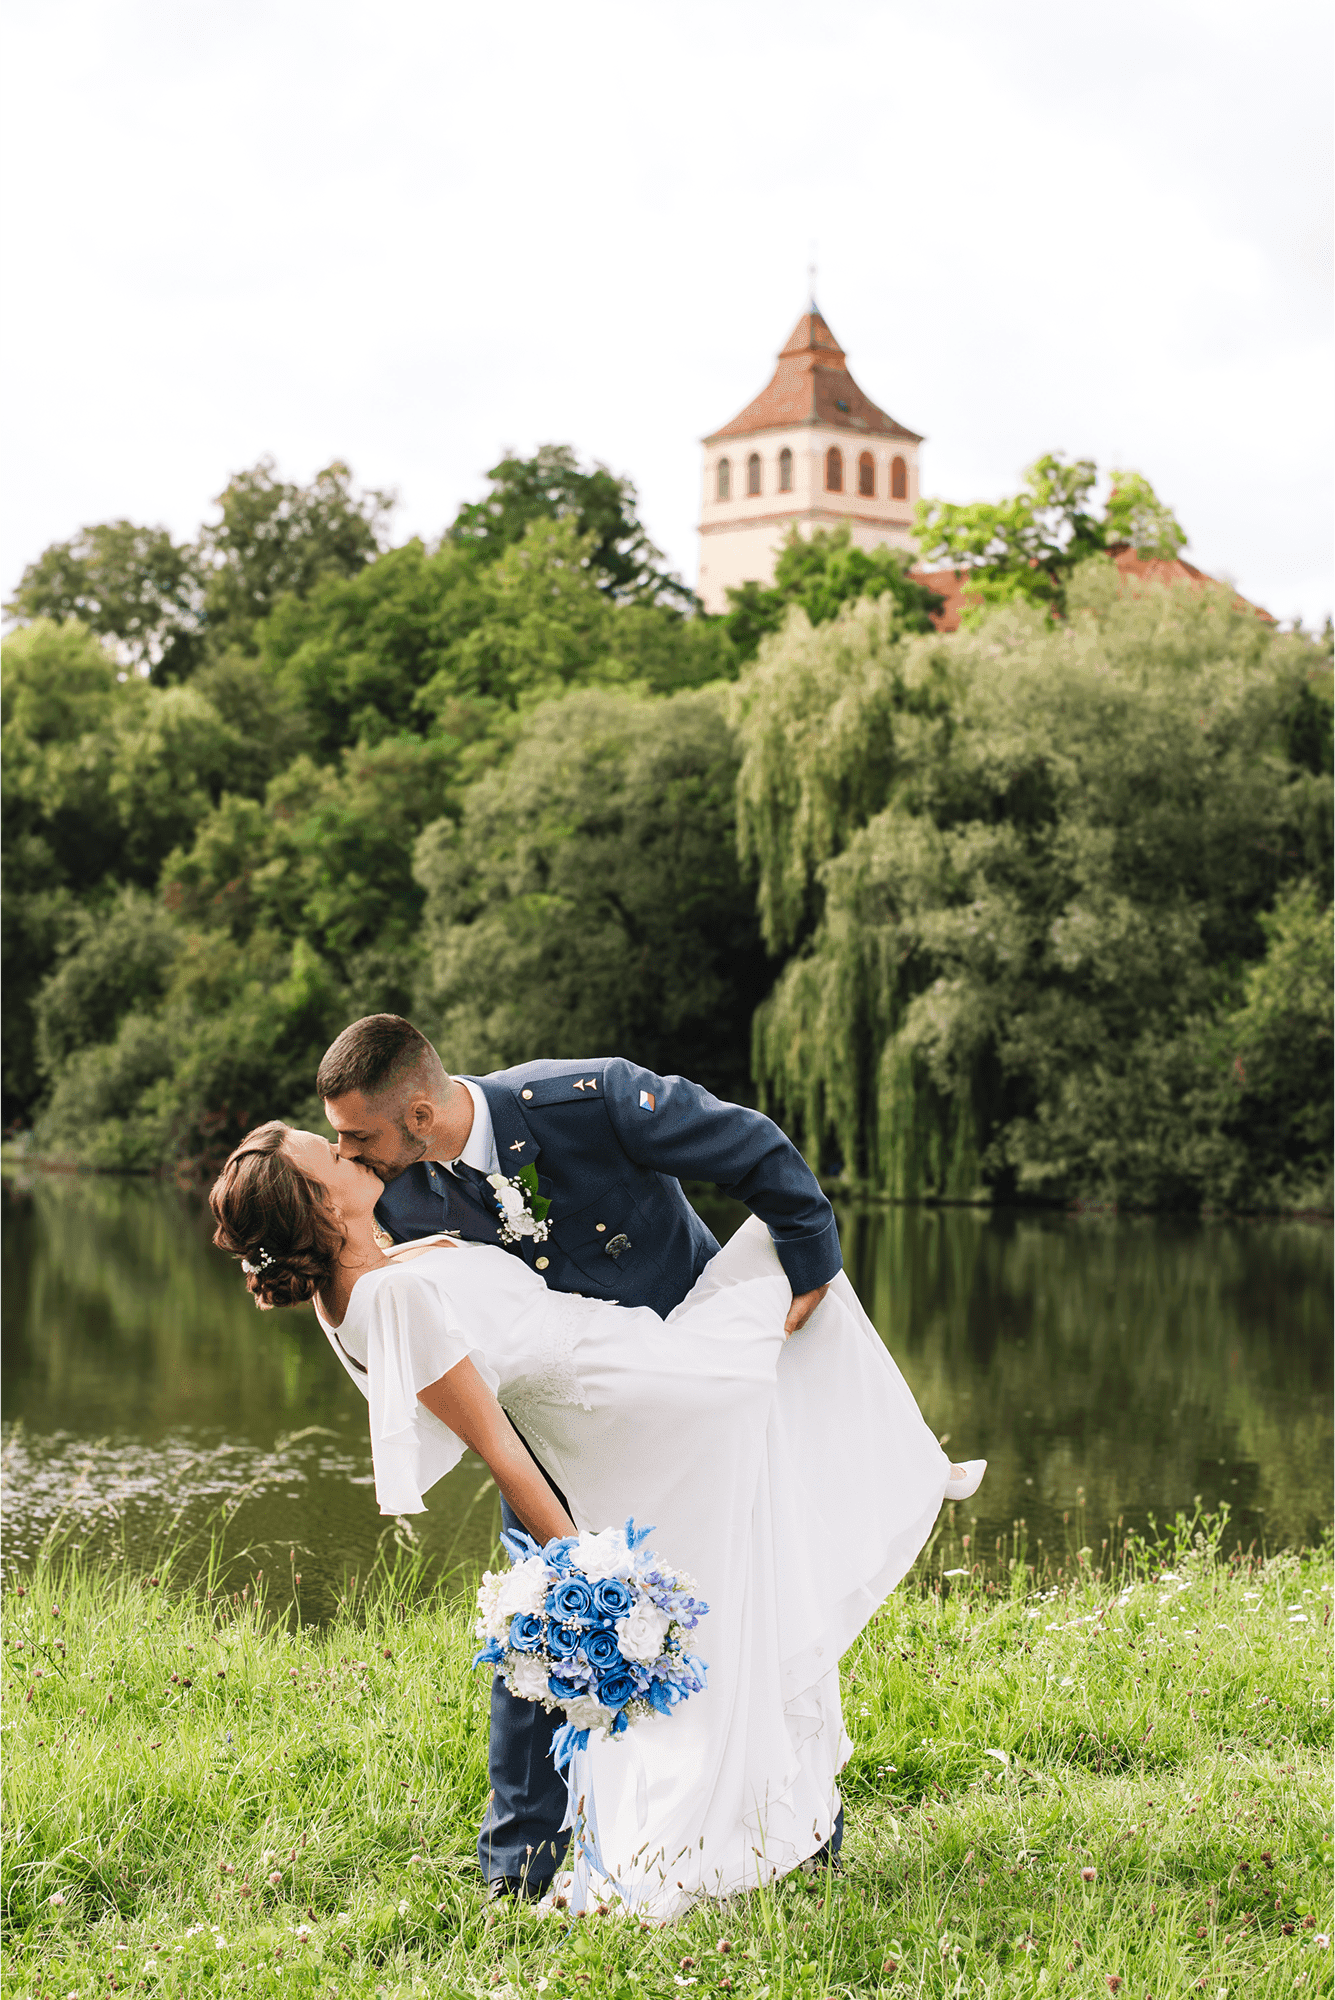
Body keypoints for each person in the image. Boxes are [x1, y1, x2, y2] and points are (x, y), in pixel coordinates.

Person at [209, 1115, 984, 1916]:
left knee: (745, 1553)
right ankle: (908, 1470)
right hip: (633, 1392)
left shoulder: (363, 1278)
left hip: (620, 1369)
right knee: (780, 1259)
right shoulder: (392, 1297)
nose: (346, 1151)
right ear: (320, 1203)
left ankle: (902, 1475)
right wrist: (579, 1564)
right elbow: (497, 1447)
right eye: (327, 1152)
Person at [315, 1015, 844, 1898]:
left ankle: (802, 1831)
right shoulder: (388, 1193)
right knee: (547, 1619)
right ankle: (519, 1865)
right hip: (550, 1429)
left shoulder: (586, 1100)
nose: (347, 1153)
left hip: (680, 1391)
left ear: (418, 1113)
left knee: (752, 1591)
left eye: (357, 1135)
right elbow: (366, 1290)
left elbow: (751, 1145)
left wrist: (810, 1263)